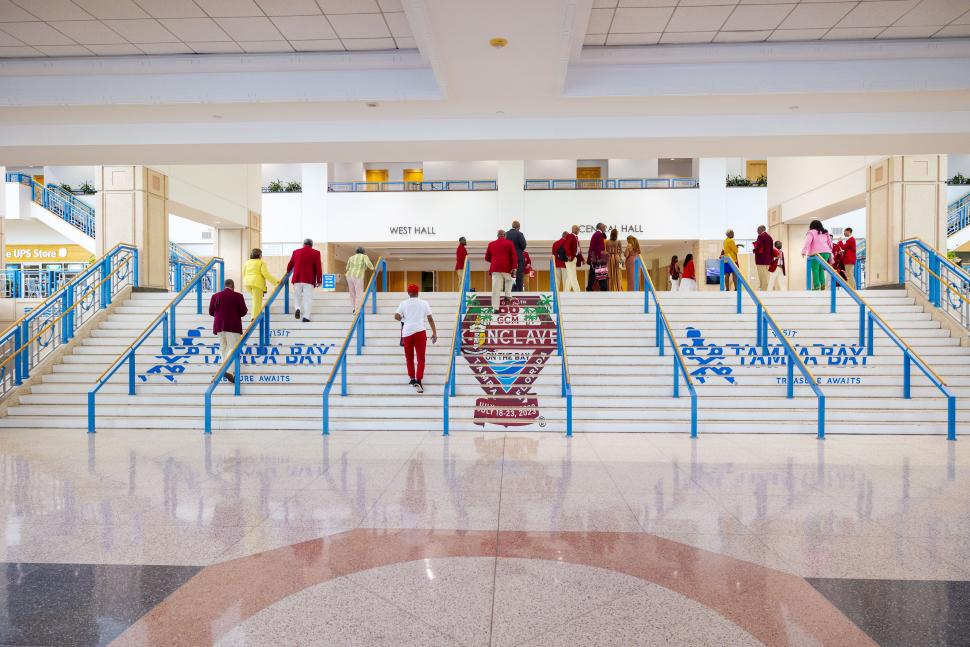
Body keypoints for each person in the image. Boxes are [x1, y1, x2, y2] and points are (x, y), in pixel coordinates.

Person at [394, 284, 437, 393]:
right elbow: (430, 318)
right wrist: (434, 332)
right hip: (420, 332)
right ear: (418, 292)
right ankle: (418, 380)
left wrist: (404, 319)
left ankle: (412, 378)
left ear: (408, 293)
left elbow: (396, 316)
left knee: (409, 357)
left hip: (407, 333)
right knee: (421, 358)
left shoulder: (403, 303)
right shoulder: (424, 303)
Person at [209, 279, 248, 384]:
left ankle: (225, 368)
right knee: (232, 348)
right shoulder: (238, 296)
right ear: (233, 285)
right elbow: (244, 311)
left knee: (223, 348)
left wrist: (220, 315)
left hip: (218, 326)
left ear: (224, 285)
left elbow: (211, 312)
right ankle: (229, 371)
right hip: (233, 326)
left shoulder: (215, 296)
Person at [286, 238, 322, 322]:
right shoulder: (316, 253)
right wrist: (319, 280)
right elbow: (318, 267)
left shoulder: (296, 252)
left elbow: (290, 264)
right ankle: (306, 317)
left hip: (297, 277)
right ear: (311, 245)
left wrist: (288, 271)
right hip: (309, 279)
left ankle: (297, 308)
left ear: (303, 244)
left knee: (297, 295)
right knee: (307, 298)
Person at [485, 229, 516, 310]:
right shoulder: (509, 243)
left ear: (497, 235)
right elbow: (513, 256)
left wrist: (495, 261)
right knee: (510, 280)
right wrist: (514, 267)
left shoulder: (491, 244)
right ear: (505, 235)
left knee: (495, 289)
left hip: (495, 268)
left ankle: (495, 308)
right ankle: (507, 295)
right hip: (506, 267)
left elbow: (487, 258)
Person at [242, 248, 277, 317]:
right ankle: (254, 318)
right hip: (256, 283)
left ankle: (256, 314)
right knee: (257, 301)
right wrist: (275, 282)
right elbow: (265, 274)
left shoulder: (247, 262)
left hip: (247, 283)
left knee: (255, 299)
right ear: (260, 255)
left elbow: (243, 273)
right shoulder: (261, 262)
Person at [801, 220, 832, 290]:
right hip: (826, 252)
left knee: (815, 269)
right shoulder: (825, 232)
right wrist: (830, 250)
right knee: (821, 269)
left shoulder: (811, 232)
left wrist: (804, 251)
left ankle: (817, 286)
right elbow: (830, 242)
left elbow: (808, 242)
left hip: (816, 253)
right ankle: (823, 283)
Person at [345, 246, 374, 312]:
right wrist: (373, 268)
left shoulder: (351, 257)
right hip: (358, 275)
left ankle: (353, 308)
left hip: (349, 275)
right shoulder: (364, 256)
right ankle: (357, 309)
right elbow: (369, 264)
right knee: (359, 292)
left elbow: (347, 268)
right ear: (363, 252)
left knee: (352, 292)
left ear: (356, 251)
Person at [505, 220, 527, 292]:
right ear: (518, 227)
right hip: (518, 257)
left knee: (507, 273)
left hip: (508, 257)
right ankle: (519, 291)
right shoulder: (520, 234)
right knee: (519, 274)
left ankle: (507, 290)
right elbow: (523, 246)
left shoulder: (506, 234)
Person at [587, 222, 607, 292]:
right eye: (604, 226)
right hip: (597, 258)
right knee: (601, 273)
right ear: (600, 227)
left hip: (595, 258)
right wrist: (599, 258)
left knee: (593, 274)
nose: (605, 228)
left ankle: (589, 288)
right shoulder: (599, 234)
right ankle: (604, 289)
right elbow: (598, 248)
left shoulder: (597, 234)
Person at [753, 225, 774, 290]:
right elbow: (771, 249)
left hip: (761, 260)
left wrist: (754, 249)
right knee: (767, 275)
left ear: (761, 230)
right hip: (767, 260)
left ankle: (764, 289)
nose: (757, 231)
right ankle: (767, 289)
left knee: (762, 276)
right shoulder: (769, 237)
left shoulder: (760, 236)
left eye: (757, 230)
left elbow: (758, 247)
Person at [563, 225, 583, 292]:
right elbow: (566, 246)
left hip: (574, 258)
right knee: (573, 275)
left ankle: (566, 291)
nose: (578, 231)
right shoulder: (570, 236)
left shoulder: (576, 237)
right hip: (570, 258)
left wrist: (582, 258)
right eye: (578, 229)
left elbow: (578, 249)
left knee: (570, 275)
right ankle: (577, 291)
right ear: (575, 229)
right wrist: (569, 255)